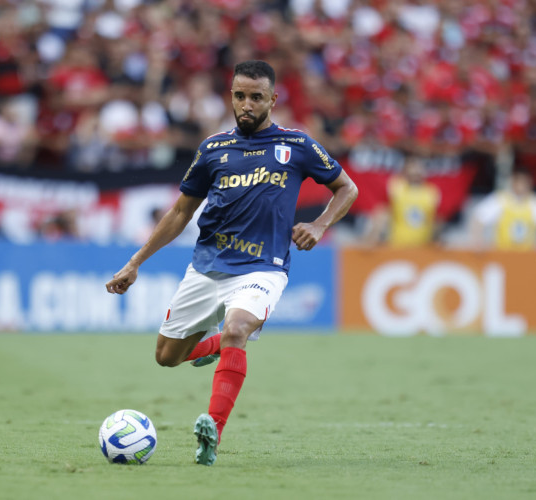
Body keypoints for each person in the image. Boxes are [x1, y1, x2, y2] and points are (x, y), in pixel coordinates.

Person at [105, 60, 358, 466]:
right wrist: (135, 262)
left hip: (264, 267)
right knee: (166, 356)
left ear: (272, 100)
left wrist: (320, 223)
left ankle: (212, 433)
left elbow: (347, 188)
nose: (246, 104)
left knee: (238, 328)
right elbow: (179, 212)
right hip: (207, 266)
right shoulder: (213, 148)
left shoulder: (297, 145)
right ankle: (212, 345)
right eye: (240, 96)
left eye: (256, 97)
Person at [470, 167, 536, 250]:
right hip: (503, 254)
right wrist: (478, 240)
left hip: (527, 255)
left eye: (525, 182)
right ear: (513, 181)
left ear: (530, 182)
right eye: (519, 181)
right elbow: (478, 218)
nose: (522, 185)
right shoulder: (500, 199)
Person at [363, 155, 441, 247]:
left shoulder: (431, 191)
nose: (415, 171)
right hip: (397, 245)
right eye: (412, 168)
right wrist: (373, 236)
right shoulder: (396, 187)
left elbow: (435, 219)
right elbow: (382, 212)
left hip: (422, 247)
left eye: (418, 168)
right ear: (405, 171)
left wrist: (437, 239)